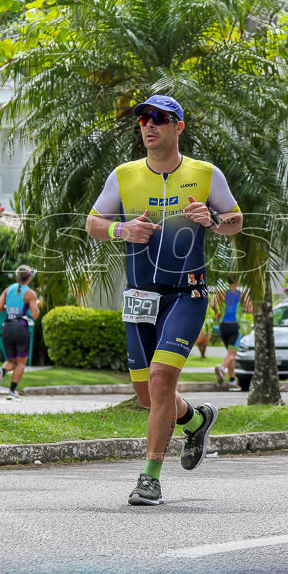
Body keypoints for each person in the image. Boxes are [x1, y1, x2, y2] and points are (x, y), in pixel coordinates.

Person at [85, 94, 243, 505]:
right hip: (139, 297)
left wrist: (213, 219)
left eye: (160, 118)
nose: (149, 125)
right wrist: (121, 232)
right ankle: (195, 419)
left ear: (179, 127)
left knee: (160, 381)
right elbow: (93, 222)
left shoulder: (206, 174)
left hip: (187, 294)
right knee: (146, 396)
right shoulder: (124, 175)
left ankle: (149, 477)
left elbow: (235, 220)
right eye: (143, 119)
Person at [0, 265, 40, 401]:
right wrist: (37, 304)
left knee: (11, 361)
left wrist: (11, 310)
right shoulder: (30, 293)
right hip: (21, 328)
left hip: (7, 327)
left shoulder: (8, 290)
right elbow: (35, 315)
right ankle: (12, 391)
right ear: (29, 278)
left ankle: (1, 371)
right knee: (21, 362)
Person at [213, 275, 252, 391]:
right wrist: (243, 309)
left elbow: (212, 304)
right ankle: (221, 369)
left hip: (223, 326)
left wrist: (217, 313)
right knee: (232, 354)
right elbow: (251, 309)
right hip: (234, 326)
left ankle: (232, 382)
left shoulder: (222, 293)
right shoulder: (241, 294)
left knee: (231, 356)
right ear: (238, 281)